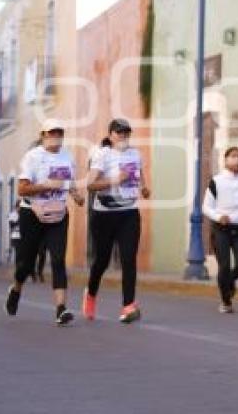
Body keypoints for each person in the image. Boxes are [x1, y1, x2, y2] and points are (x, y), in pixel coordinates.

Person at [5, 120, 84, 325]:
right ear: (43, 135)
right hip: (32, 213)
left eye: (59, 132)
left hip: (58, 213)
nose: (55, 135)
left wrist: (76, 195)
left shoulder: (68, 156)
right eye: (51, 132)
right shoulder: (33, 157)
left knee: (58, 260)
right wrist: (46, 185)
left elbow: (69, 181)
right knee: (26, 263)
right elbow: (22, 190)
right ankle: (16, 290)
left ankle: (61, 308)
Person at [83, 118, 150, 324]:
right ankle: (91, 294)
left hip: (128, 213)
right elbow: (90, 185)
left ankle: (128, 306)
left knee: (128, 259)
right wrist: (115, 180)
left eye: (126, 133)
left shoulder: (135, 154)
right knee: (101, 261)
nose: (123, 136)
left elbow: (140, 176)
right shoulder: (102, 154)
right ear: (111, 135)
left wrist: (144, 188)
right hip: (104, 215)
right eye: (119, 133)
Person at [202, 146, 238, 314]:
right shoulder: (217, 181)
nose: (237, 160)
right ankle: (226, 301)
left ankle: (229, 281)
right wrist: (219, 217)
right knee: (224, 266)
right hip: (222, 229)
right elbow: (206, 207)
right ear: (226, 160)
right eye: (233, 156)